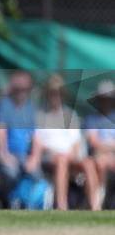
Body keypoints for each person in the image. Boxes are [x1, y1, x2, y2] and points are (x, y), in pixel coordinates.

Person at [35, 74, 100, 210]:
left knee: (88, 163)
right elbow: (38, 142)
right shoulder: (40, 116)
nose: (55, 96)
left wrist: (73, 155)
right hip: (50, 157)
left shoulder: (71, 115)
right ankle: (62, 205)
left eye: (58, 93)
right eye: (52, 93)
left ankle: (95, 206)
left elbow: (76, 142)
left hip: (69, 156)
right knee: (61, 160)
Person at [0, 71, 42, 207]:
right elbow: (0, 132)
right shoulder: (4, 105)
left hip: (22, 155)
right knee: (11, 171)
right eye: (18, 89)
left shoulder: (31, 108)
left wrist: (34, 157)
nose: (21, 92)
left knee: (36, 173)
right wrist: (4, 155)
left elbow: (36, 137)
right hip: (0, 154)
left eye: (25, 89)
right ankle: (4, 203)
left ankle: (25, 204)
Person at [84, 79, 115, 207]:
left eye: (108, 98)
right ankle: (99, 200)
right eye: (103, 98)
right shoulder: (91, 119)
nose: (105, 102)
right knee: (99, 163)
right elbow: (93, 142)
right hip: (98, 157)